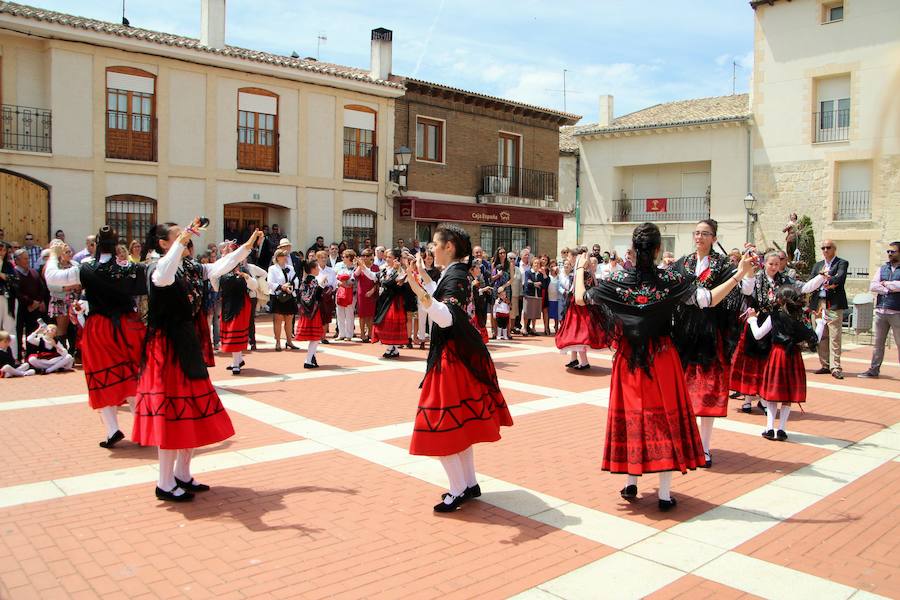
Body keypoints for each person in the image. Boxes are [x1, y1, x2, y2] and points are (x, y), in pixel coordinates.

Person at [576, 223, 755, 510]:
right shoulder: (671, 279)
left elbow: (580, 299)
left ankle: (631, 483)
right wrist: (739, 275)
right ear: (658, 249)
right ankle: (663, 493)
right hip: (662, 359)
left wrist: (578, 270)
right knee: (664, 420)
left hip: (628, 362)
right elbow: (706, 300)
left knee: (634, 416)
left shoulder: (619, 280)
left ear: (634, 249)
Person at [135, 221, 262, 502]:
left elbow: (220, 266)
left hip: (186, 343)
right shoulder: (157, 268)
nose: (187, 238)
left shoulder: (189, 267)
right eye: (177, 236)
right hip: (167, 348)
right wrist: (182, 241)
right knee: (172, 413)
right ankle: (164, 482)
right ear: (163, 243)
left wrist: (246, 247)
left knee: (190, 409)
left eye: (187, 235)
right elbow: (163, 278)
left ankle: (183, 474)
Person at [405, 224, 513, 512]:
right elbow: (445, 299)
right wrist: (427, 281)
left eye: (435, 244)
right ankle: (468, 484)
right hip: (458, 358)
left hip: (449, 361)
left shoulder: (455, 276)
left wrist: (420, 291)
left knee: (443, 428)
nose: (431, 249)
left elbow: (445, 317)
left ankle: (458, 489)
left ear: (449, 246)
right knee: (460, 426)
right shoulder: (458, 273)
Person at [44, 226, 148, 448]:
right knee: (131, 376)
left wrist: (53, 254)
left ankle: (112, 430)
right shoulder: (130, 267)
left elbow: (52, 277)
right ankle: (143, 427)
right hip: (128, 327)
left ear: (98, 243)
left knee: (101, 376)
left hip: (100, 328)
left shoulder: (85, 268)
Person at [672, 220, 743, 468]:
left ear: (714, 238)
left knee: (707, 392)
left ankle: (704, 446)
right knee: (682, 391)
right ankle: (685, 442)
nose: (700, 237)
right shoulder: (683, 262)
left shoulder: (723, 265)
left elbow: (737, 293)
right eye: (697, 233)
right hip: (683, 334)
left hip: (710, 334)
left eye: (705, 234)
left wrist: (745, 272)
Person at [731, 250, 827, 412]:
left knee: (767, 362)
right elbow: (746, 292)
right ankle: (747, 399)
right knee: (752, 360)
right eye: (771, 264)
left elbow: (804, 288)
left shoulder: (785, 279)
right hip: (757, 319)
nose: (774, 267)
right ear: (764, 263)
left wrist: (821, 277)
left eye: (777, 264)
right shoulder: (757, 277)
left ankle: (764, 399)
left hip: (776, 323)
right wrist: (747, 272)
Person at [749, 289, 828, 441]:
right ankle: (782, 429)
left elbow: (758, 334)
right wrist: (820, 322)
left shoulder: (775, 316)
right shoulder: (800, 319)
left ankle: (770, 428)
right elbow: (814, 339)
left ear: (781, 300)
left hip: (777, 355)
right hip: (793, 357)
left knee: (773, 392)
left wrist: (752, 319)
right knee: (787, 395)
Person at [555, 247, 607, 370]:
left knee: (578, 331)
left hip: (580, 306)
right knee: (574, 330)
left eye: (569, 256)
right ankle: (574, 359)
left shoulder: (582, 272)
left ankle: (584, 362)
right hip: (575, 304)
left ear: (574, 257)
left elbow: (583, 289)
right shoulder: (580, 271)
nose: (567, 258)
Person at [214, 244, 259, 375]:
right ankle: (238, 360)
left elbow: (254, 286)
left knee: (235, 331)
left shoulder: (244, 270)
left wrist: (246, 276)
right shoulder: (222, 272)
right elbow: (216, 286)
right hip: (227, 305)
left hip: (240, 306)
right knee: (230, 331)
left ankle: (236, 363)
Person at [859, 241, 900, 378]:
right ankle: (874, 369)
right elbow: (873, 286)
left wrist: (886, 284)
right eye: (888, 251)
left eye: (892, 251)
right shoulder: (883, 268)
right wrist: (889, 290)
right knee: (878, 343)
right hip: (880, 311)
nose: (889, 254)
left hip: (897, 312)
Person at [810, 240, 849, 379]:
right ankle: (825, 364)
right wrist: (825, 281)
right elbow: (811, 281)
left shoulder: (841, 263)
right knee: (821, 335)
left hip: (832, 304)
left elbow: (840, 279)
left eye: (828, 247)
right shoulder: (818, 265)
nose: (825, 250)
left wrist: (826, 280)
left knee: (834, 335)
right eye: (823, 248)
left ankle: (835, 367)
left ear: (834, 249)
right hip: (818, 303)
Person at [373, 248, 409, 359]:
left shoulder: (401, 271)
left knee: (391, 324)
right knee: (384, 323)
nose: (386, 258)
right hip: (384, 300)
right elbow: (373, 276)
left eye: (389, 257)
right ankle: (393, 348)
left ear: (396, 259)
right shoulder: (383, 269)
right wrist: (363, 267)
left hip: (394, 301)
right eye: (386, 257)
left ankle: (392, 348)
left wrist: (398, 269)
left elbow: (403, 281)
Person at [12, 248, 48, 359]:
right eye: (24, 259)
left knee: (33, 332)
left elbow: (41, 288)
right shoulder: (14, 273)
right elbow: (17, 291)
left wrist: (39, 301)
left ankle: (31, 356)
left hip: (34, 309)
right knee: (18, 332)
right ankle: (17, 356)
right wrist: (31, 302)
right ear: (17, 260)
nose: (27, 260)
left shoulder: (33, 272)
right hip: (20, 308)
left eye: (28, 258)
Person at [294, 260, 329, 368]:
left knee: (314, 337)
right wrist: (322, 283)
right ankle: (308, 360)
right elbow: (316, 296)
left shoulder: (304, 280)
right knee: (315, 337)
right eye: (317, 268)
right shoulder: (313, 281)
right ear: (313, 269)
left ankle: (312, 358)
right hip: (313, 312)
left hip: (305, 311)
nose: (318, 269)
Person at [268, 249, 298, 352]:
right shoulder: (272, 269)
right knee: (278, 320)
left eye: (286, 256)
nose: (285, 258)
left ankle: (289, 341)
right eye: (282, 256)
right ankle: (277, 342)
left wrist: (290, 287)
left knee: (289, 319)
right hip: (278, 296)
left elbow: (296, 280)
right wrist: (282, 287)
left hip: (289, 296)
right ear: (277, 258)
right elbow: (270, 283)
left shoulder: (290, 268)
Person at [356, 249, 380, 343]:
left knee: (371, 314)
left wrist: (372, 291)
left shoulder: (376, 267)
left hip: (372, 292)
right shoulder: (360, 267)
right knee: (362, 315)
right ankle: (362, 333)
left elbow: (378, 281)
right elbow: (355, 276)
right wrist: (360, 266)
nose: (365, 257)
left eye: (367, 255)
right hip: (362, 292)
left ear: (371, 257)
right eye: (363, 255)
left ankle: (370, 333)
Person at [334, 249, 358, 341]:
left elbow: (355, 280)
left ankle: (349, 334)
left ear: (349, 258)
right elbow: (334, 277)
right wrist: (340, 283)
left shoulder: (355, 268)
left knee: (349, 313)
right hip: (340, 292)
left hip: (351, 293)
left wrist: (348, 283)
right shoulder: (340, 267)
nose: (342, 258)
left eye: (344, 256)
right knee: (339, 313)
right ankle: (341, 333)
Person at [0, 243, 19, 359]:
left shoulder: (9, 265)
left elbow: (14, 280)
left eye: (3, 250)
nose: (1, 252)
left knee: (10, 329)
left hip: (8, 298)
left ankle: (13, 357)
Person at [522, 258, 545, 336]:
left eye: (538, 263)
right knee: (527, 312)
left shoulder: (540, 274)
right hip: (529, 295)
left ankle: (533, 328)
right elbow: (527, 283)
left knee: (535, 312)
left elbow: (543, 285)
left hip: (537, 295)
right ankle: (525, 328)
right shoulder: (528, 272)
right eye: (535, 263)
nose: (537, 265)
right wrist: (535, 284)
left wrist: (533, 283)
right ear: (532, 264)